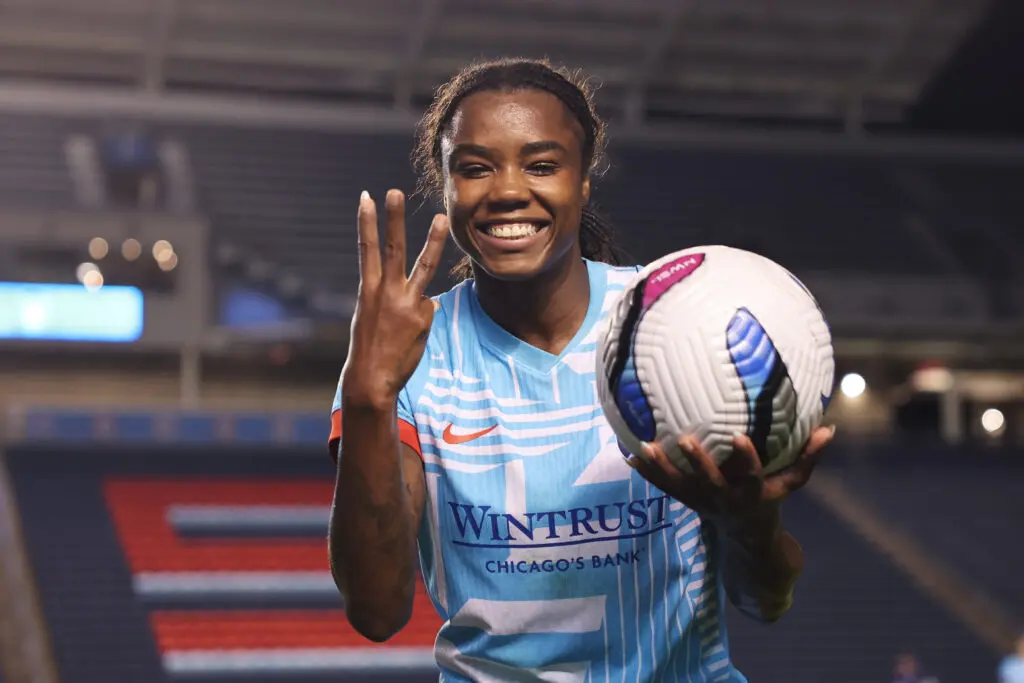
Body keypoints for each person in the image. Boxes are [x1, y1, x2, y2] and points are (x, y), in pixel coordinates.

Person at [327, 57, 834, 682]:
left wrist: (749, 524)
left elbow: (767, 602)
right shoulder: (406, 352)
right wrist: (368, 398)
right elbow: (375, 612)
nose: (508, 189)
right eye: (475, 167)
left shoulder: (672, 327)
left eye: (542, 165)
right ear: (448, 185)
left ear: (584, 181)